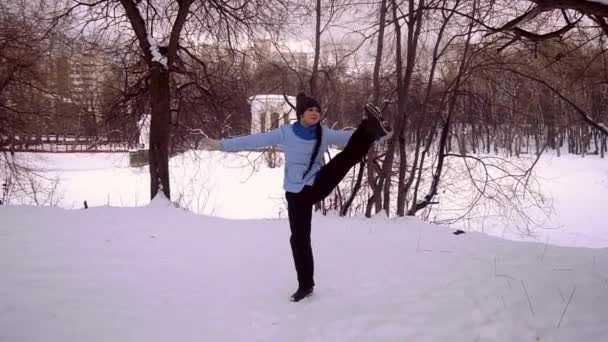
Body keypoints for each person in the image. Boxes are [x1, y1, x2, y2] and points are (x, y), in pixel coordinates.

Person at [201, 93, 392, 302]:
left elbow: (349, 138)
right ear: (301, 113)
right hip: (296, 195)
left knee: (345, 158)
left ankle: (371, 127)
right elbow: (255, 140)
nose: (315, 113)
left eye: (318, 111)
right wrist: (221, 145)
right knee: (299, 240)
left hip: (317, 184)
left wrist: (379, 136)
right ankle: (305, 285)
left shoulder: (324, 133)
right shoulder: (286, 133)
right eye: (310, 109)